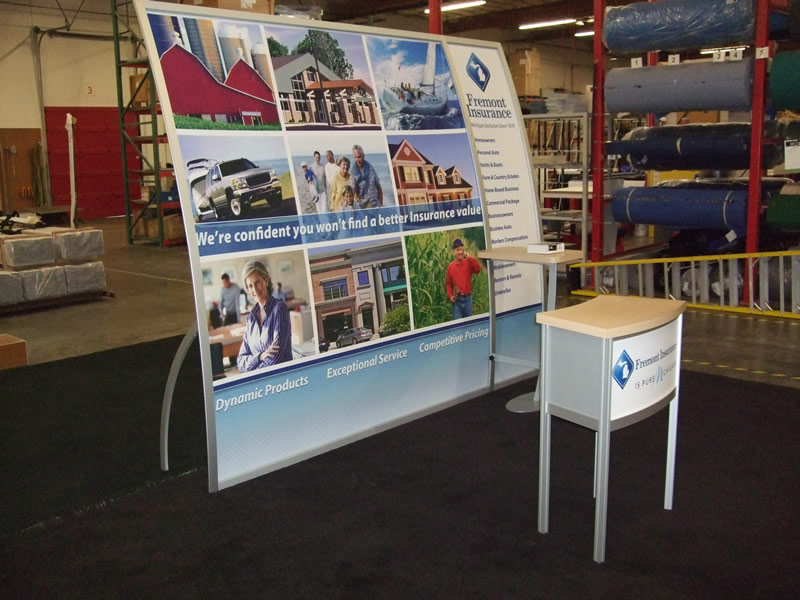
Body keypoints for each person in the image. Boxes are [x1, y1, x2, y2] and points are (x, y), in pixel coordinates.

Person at [236, 261, 292, 372]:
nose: (255, 289)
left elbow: (276, 358)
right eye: (250, 286)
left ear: (266, 280)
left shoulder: (279, 309)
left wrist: (254, 372)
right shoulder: (251, 318)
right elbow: (240, 361)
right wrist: (260, 357)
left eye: (257, 282)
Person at [445, 238, 482, 320]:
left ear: (464, 251)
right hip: (457, 301)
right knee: (458, 325)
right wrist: (450, 295)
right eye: (457, 250)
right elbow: (448, 284)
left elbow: (478, 269)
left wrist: (469, 258)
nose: (460, 252)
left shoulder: (468, 262)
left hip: (468, 300)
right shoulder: (451, 267)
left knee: (469, 324)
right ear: (454, 252)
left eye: (461, 249)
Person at [351, 144, 383, 209]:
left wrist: (381, 203)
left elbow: (378, 187)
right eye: (356, 157)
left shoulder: (370, 168)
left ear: (363, 156)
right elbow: (352, 190)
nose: (357, 160)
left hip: (375, 204)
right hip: (362, 205)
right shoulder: (353, 172)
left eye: (359, 157)